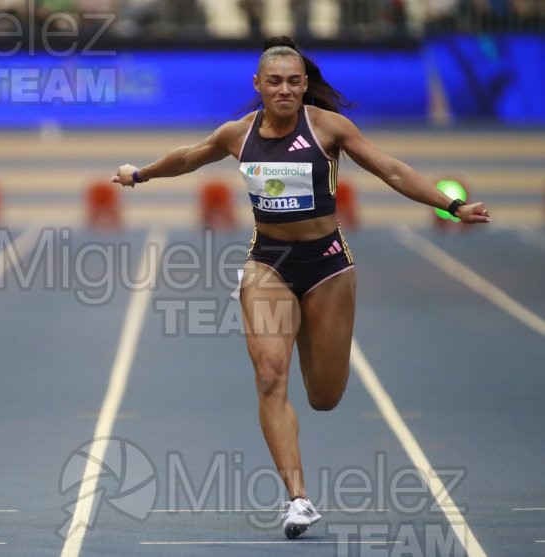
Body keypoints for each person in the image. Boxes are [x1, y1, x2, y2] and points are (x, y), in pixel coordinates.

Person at [111, 36, 490, 539]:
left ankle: (313, 378)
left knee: (325, 396)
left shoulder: (328, 128)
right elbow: (189, 157)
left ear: (305, 84)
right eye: (274, 82)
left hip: (328, 267)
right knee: (269, 376)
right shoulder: (237, 135)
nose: (284, 90)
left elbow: (392, 170)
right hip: (268, 264)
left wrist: (451, 205)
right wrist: (140, 174)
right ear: (258, 86)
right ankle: (298, 500)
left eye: (293, 81)